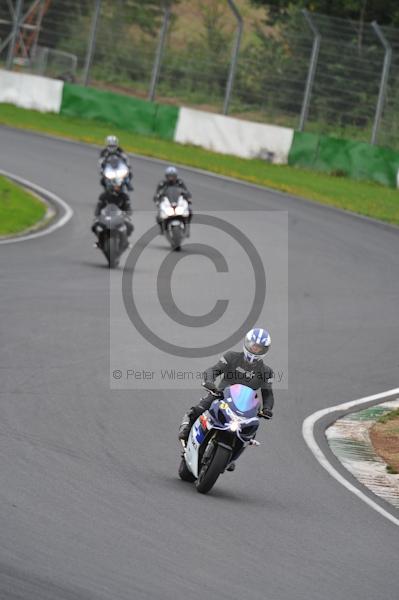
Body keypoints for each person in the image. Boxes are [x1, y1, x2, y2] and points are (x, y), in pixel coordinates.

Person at [178, 328, 274, 469]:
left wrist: (267, 408)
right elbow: (214, 370)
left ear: (264, 350)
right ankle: (186, 429)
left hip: (245, 406)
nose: (255, 349)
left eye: (259, 347)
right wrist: (210, 382)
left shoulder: (266, 371)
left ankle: (231, 456)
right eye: (253, 345)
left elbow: (268, 393)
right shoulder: (231, 356)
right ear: (247, 343)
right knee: (200, 408)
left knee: (251, 429)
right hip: (221, 395)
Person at [92, 179, 133, 248]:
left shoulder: (124, 196)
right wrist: (97, 215)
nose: (117, 188)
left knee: (130, 227)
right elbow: (99, 207)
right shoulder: (104, 195)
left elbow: (128, 207)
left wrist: (127, 214)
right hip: (106, 216)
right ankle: (100, 241)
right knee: (95, 227)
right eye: (115, 186)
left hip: (119, 217)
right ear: (110, 186)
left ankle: (125, 242)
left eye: (119, 186)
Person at [153, 166, 192, 234]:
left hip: (178, 201)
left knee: (189, 212)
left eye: (172, 176)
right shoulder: (162, 184)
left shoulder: (180, 183)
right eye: (169, 176)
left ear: (175, 176)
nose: (171, 178)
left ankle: (187, 226)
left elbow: (186, 191)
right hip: (167, 202)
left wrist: (188, 198)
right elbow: (157, 194)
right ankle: (162, 229)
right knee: (159, 216)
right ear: (166, 176)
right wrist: (157, 200)